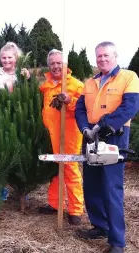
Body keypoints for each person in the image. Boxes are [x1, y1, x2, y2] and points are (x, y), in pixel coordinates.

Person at [75, 42, 139, 253]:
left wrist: (103, 127)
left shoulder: (128, 78)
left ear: (115, 56)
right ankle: (99, 226)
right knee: (91, 186)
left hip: (114, 138)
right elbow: (80, 109)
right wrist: (85, 128)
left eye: (106, 55)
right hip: (90, 137)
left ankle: (117, 241)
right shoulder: (90, 82)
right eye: (99, 56)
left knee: (111, 189)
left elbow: (130, 107)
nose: (102, 59)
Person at [38, 49, 84, 226]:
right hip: (50, 134)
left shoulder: (75, 85)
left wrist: (69, 100)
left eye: (59, 63)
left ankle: (75, 210)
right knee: (55, 171)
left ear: (65, 64)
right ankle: (55, 204)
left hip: (69, 135)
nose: (56, 66)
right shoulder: (47, 85)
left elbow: (82, 109)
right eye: (52, 63)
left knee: (70, 170)